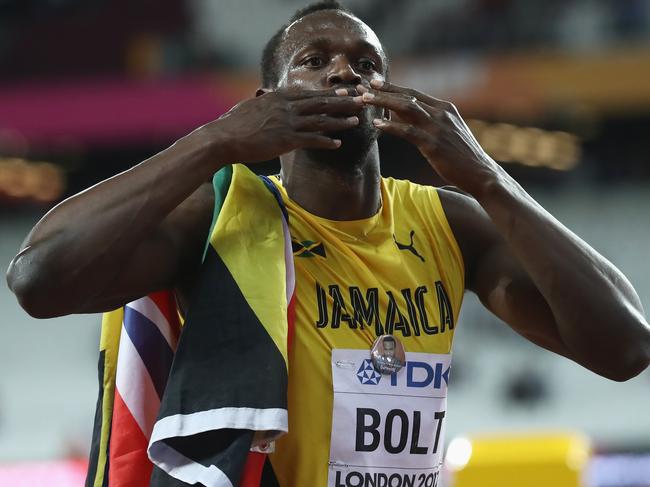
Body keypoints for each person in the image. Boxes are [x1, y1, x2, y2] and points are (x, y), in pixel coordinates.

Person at [6, 1, 650, 486]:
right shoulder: (222, 218)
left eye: (366, 64)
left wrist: (486, 175)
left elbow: (626, 347)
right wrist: (215, 141)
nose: (345, 71)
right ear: (267, 103)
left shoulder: (449, 222)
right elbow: (39, 277)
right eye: (314, 61)